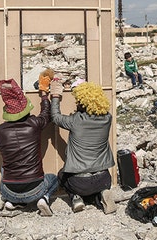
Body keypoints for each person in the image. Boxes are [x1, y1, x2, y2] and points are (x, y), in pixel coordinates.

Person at [50, 81, 117, 214]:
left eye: (79, 102)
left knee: (61, 175)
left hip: (79, 183)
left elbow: (55, 117)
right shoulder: (107, 119)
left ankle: (76, 198)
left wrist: (55, 97)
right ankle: (101, 194)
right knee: (94, 188)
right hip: (104, 179)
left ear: (83, 103)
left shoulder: (76, 120)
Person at [0, 77, 57, 216]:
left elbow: (1, 150)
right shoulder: (34, 125)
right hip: (35, 189)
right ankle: (44, 199)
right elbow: (47, 114)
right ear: (26, 110)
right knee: (54, 178)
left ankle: (14, 201)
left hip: (7, 190)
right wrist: (44, 95)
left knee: (5, 166)